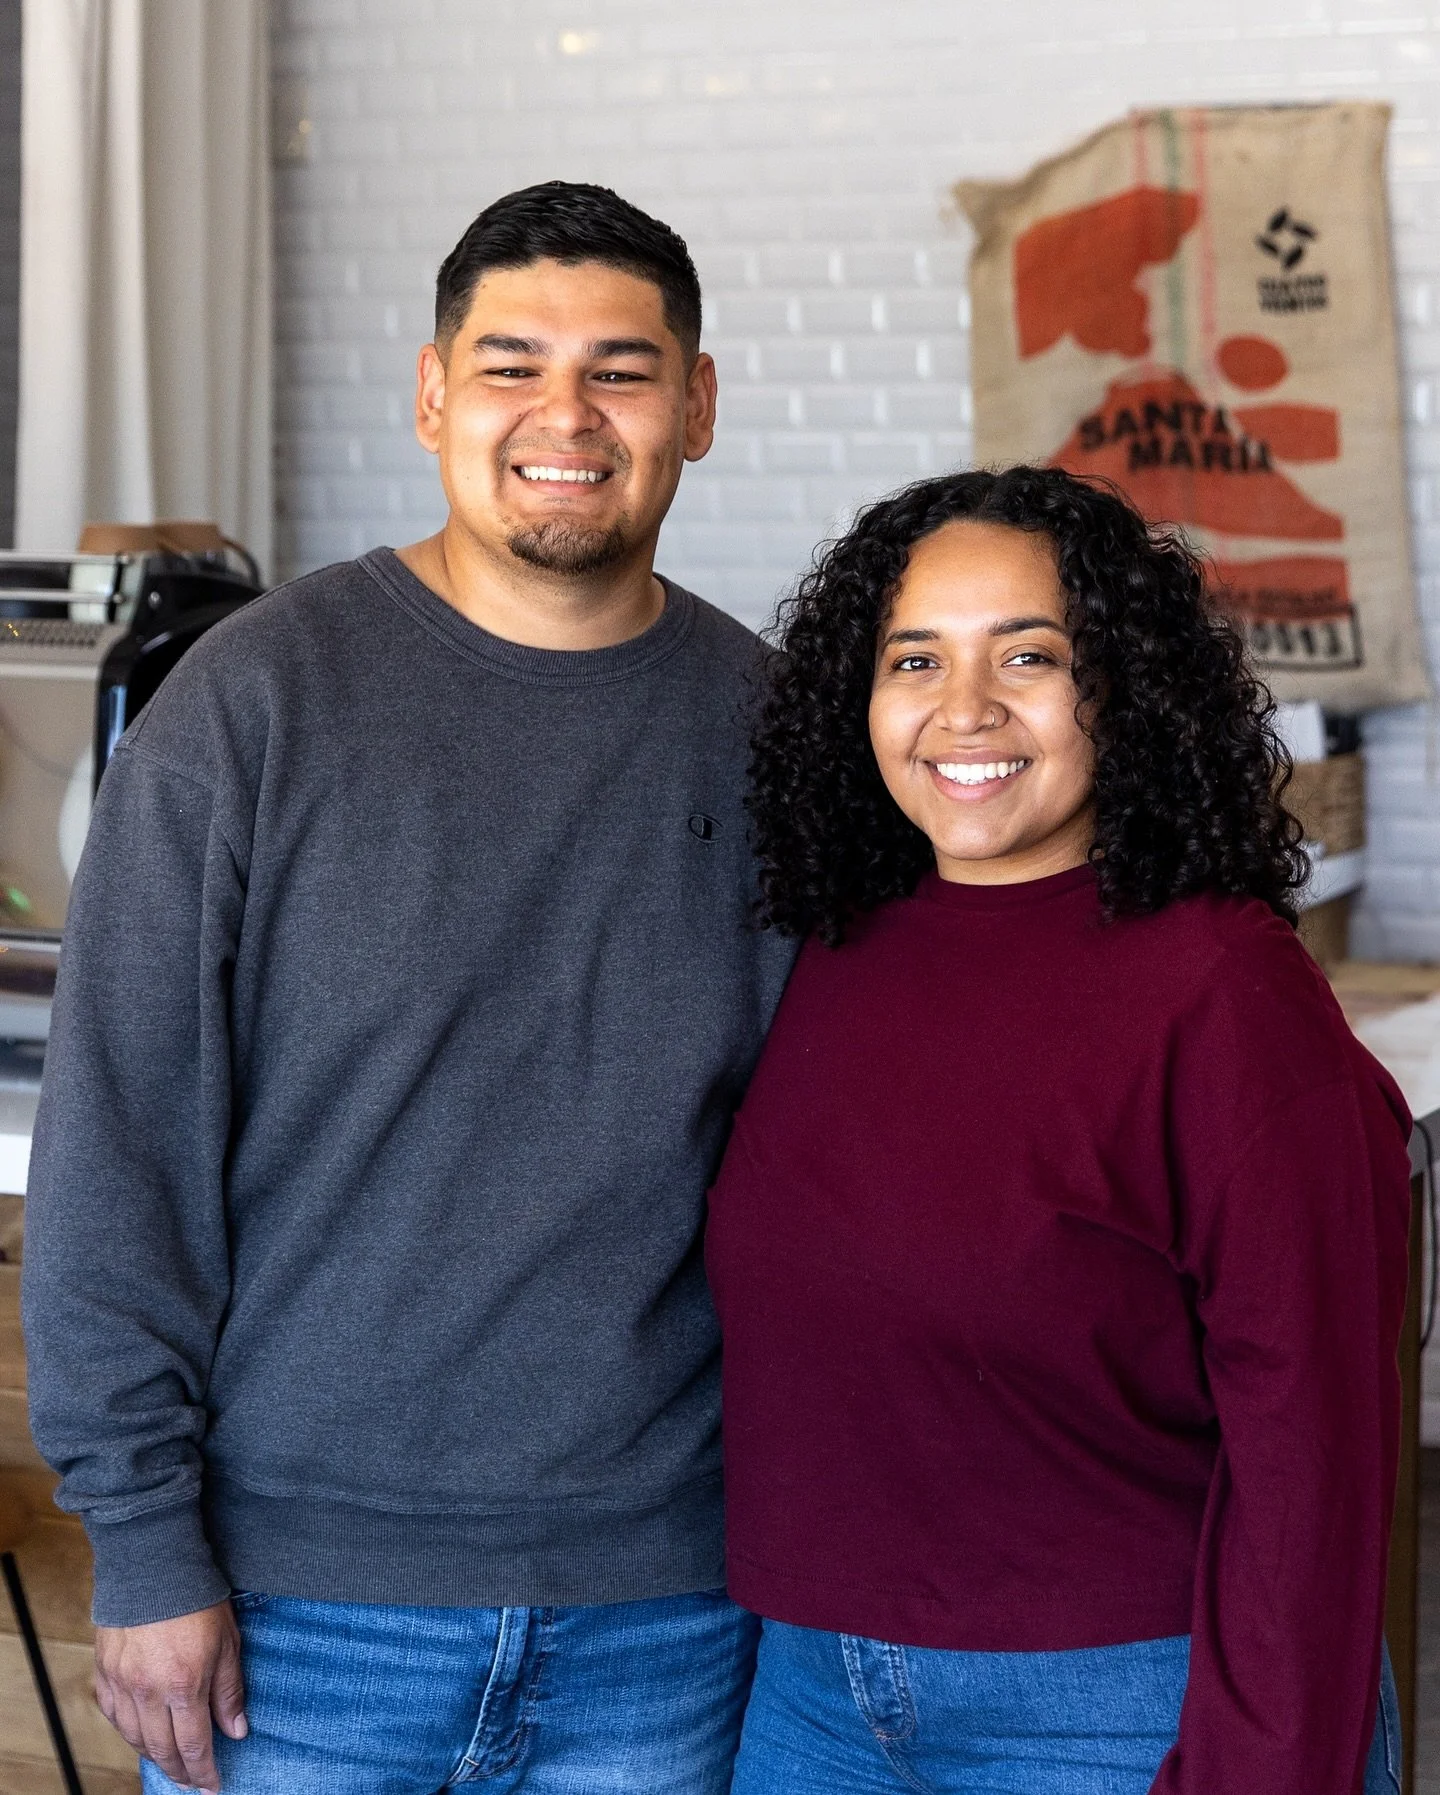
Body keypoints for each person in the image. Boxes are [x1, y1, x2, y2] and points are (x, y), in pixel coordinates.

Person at [22, 181, 796, 1794]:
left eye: (623, 368)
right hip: (297, 1617)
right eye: (511, 363)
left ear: (698, 405)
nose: (564, 415)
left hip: (670, 1606)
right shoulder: (251, 706)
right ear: (435, 392)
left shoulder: (780, 731)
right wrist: (148, 1546)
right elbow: (120, 1155)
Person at [706, 465, 1411, 1795]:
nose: (964, 709)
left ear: (1120, 691)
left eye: (1029, 655)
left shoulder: (1226, 993)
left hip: (1120, 1702)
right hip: (813, 1701)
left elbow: (1315, 1456)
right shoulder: (839, 946)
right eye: (915, 658)